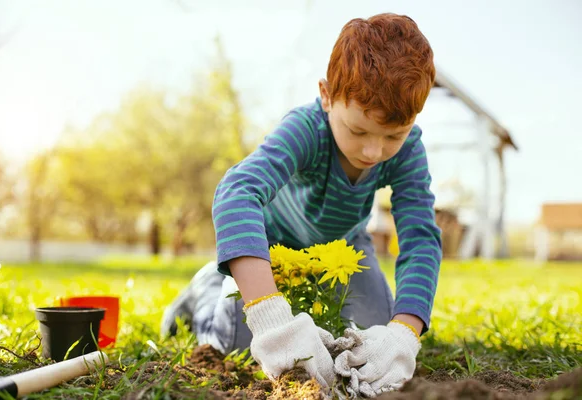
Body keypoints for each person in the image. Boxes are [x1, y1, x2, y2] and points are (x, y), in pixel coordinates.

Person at [161, 13, 442, 398]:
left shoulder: (408, 150)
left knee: (372, 332)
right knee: (239, 340)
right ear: (327, 96)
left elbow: (420, 238)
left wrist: (404, 335)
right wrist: (271, 319)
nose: (374, 151)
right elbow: (237, 193)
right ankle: (207, 290)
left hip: (341, 248)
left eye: (393, 135)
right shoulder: (307, 129)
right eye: (357, 131)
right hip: (271, 246)